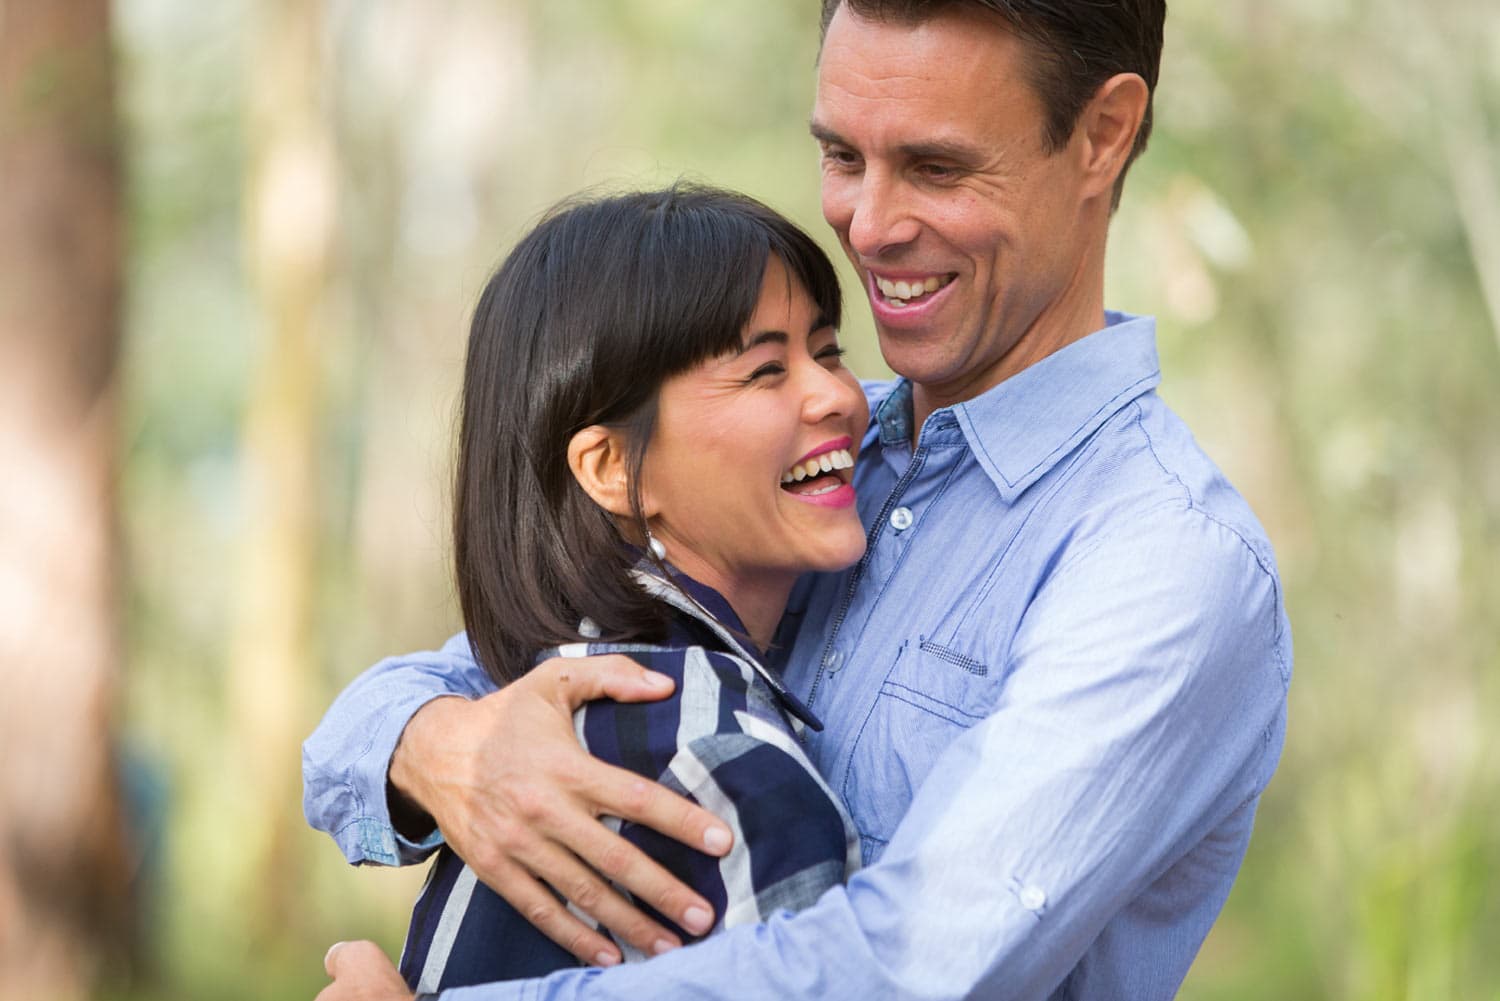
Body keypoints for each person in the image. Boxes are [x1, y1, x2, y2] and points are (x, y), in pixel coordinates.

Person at [308, 2, 1292, 999]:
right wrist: (436, 746)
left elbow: (906, 966)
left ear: (1103, 135)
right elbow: (423, 695)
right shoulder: (806, 454)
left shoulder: (1164, 560)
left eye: (937, 167)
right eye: (841, 156)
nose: (869, 225)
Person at [322, 185, 871, 994]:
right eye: (764, 370)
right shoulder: (722, 765)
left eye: (827, 352)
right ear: (612, 468)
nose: (842, 395)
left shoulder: (546, 710)